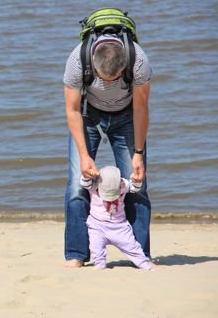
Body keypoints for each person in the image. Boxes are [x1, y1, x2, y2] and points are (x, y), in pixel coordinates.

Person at [63, 28, 152, 268]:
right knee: (76, 184)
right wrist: (84, 156)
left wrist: (139, 154)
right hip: (88, 115)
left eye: (114, 79)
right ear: (93, 63)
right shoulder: (77, 60)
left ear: (124, 68)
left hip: (127, 115)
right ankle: (76, 254)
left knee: (137, 184)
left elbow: (141, 109)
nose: (108, 84)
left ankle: (140, 255)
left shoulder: (139, 61)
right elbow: (71, 110)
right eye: (103, 79)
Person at [81, 166, 152, 270]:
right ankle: (99, 264)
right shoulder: (94, 184)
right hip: (97, 225)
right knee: (95, 247)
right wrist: (87, 175)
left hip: (119, 227)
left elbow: (134, 188)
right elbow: (84, 182)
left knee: (132, 246)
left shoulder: (123, 184)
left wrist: (136, 180)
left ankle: (144, 264)